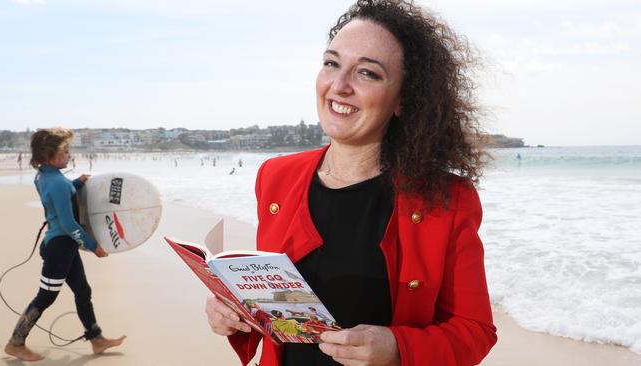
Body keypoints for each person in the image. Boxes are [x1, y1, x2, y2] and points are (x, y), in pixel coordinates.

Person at [204, 1, 496, 365]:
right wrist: (236, 314)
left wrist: (397, 349)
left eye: (367, 74)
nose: (339, 86)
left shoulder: (448, 199)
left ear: (403, 100)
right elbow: (283, 311)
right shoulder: (276, 177)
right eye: (331, 63)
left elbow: (475, 330)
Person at [4, 128, 126, 362]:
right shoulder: (57, 183)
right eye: (65, 151)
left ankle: (96, 339)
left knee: (82, 290)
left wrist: (77, 184)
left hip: (63, 246)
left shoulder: (44, 176)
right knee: (46, 296)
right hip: (60, 247)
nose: (70, 154)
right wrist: (93, 246)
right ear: (51, 155)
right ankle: (16, 343)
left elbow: (58, 194)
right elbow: (69, 223)